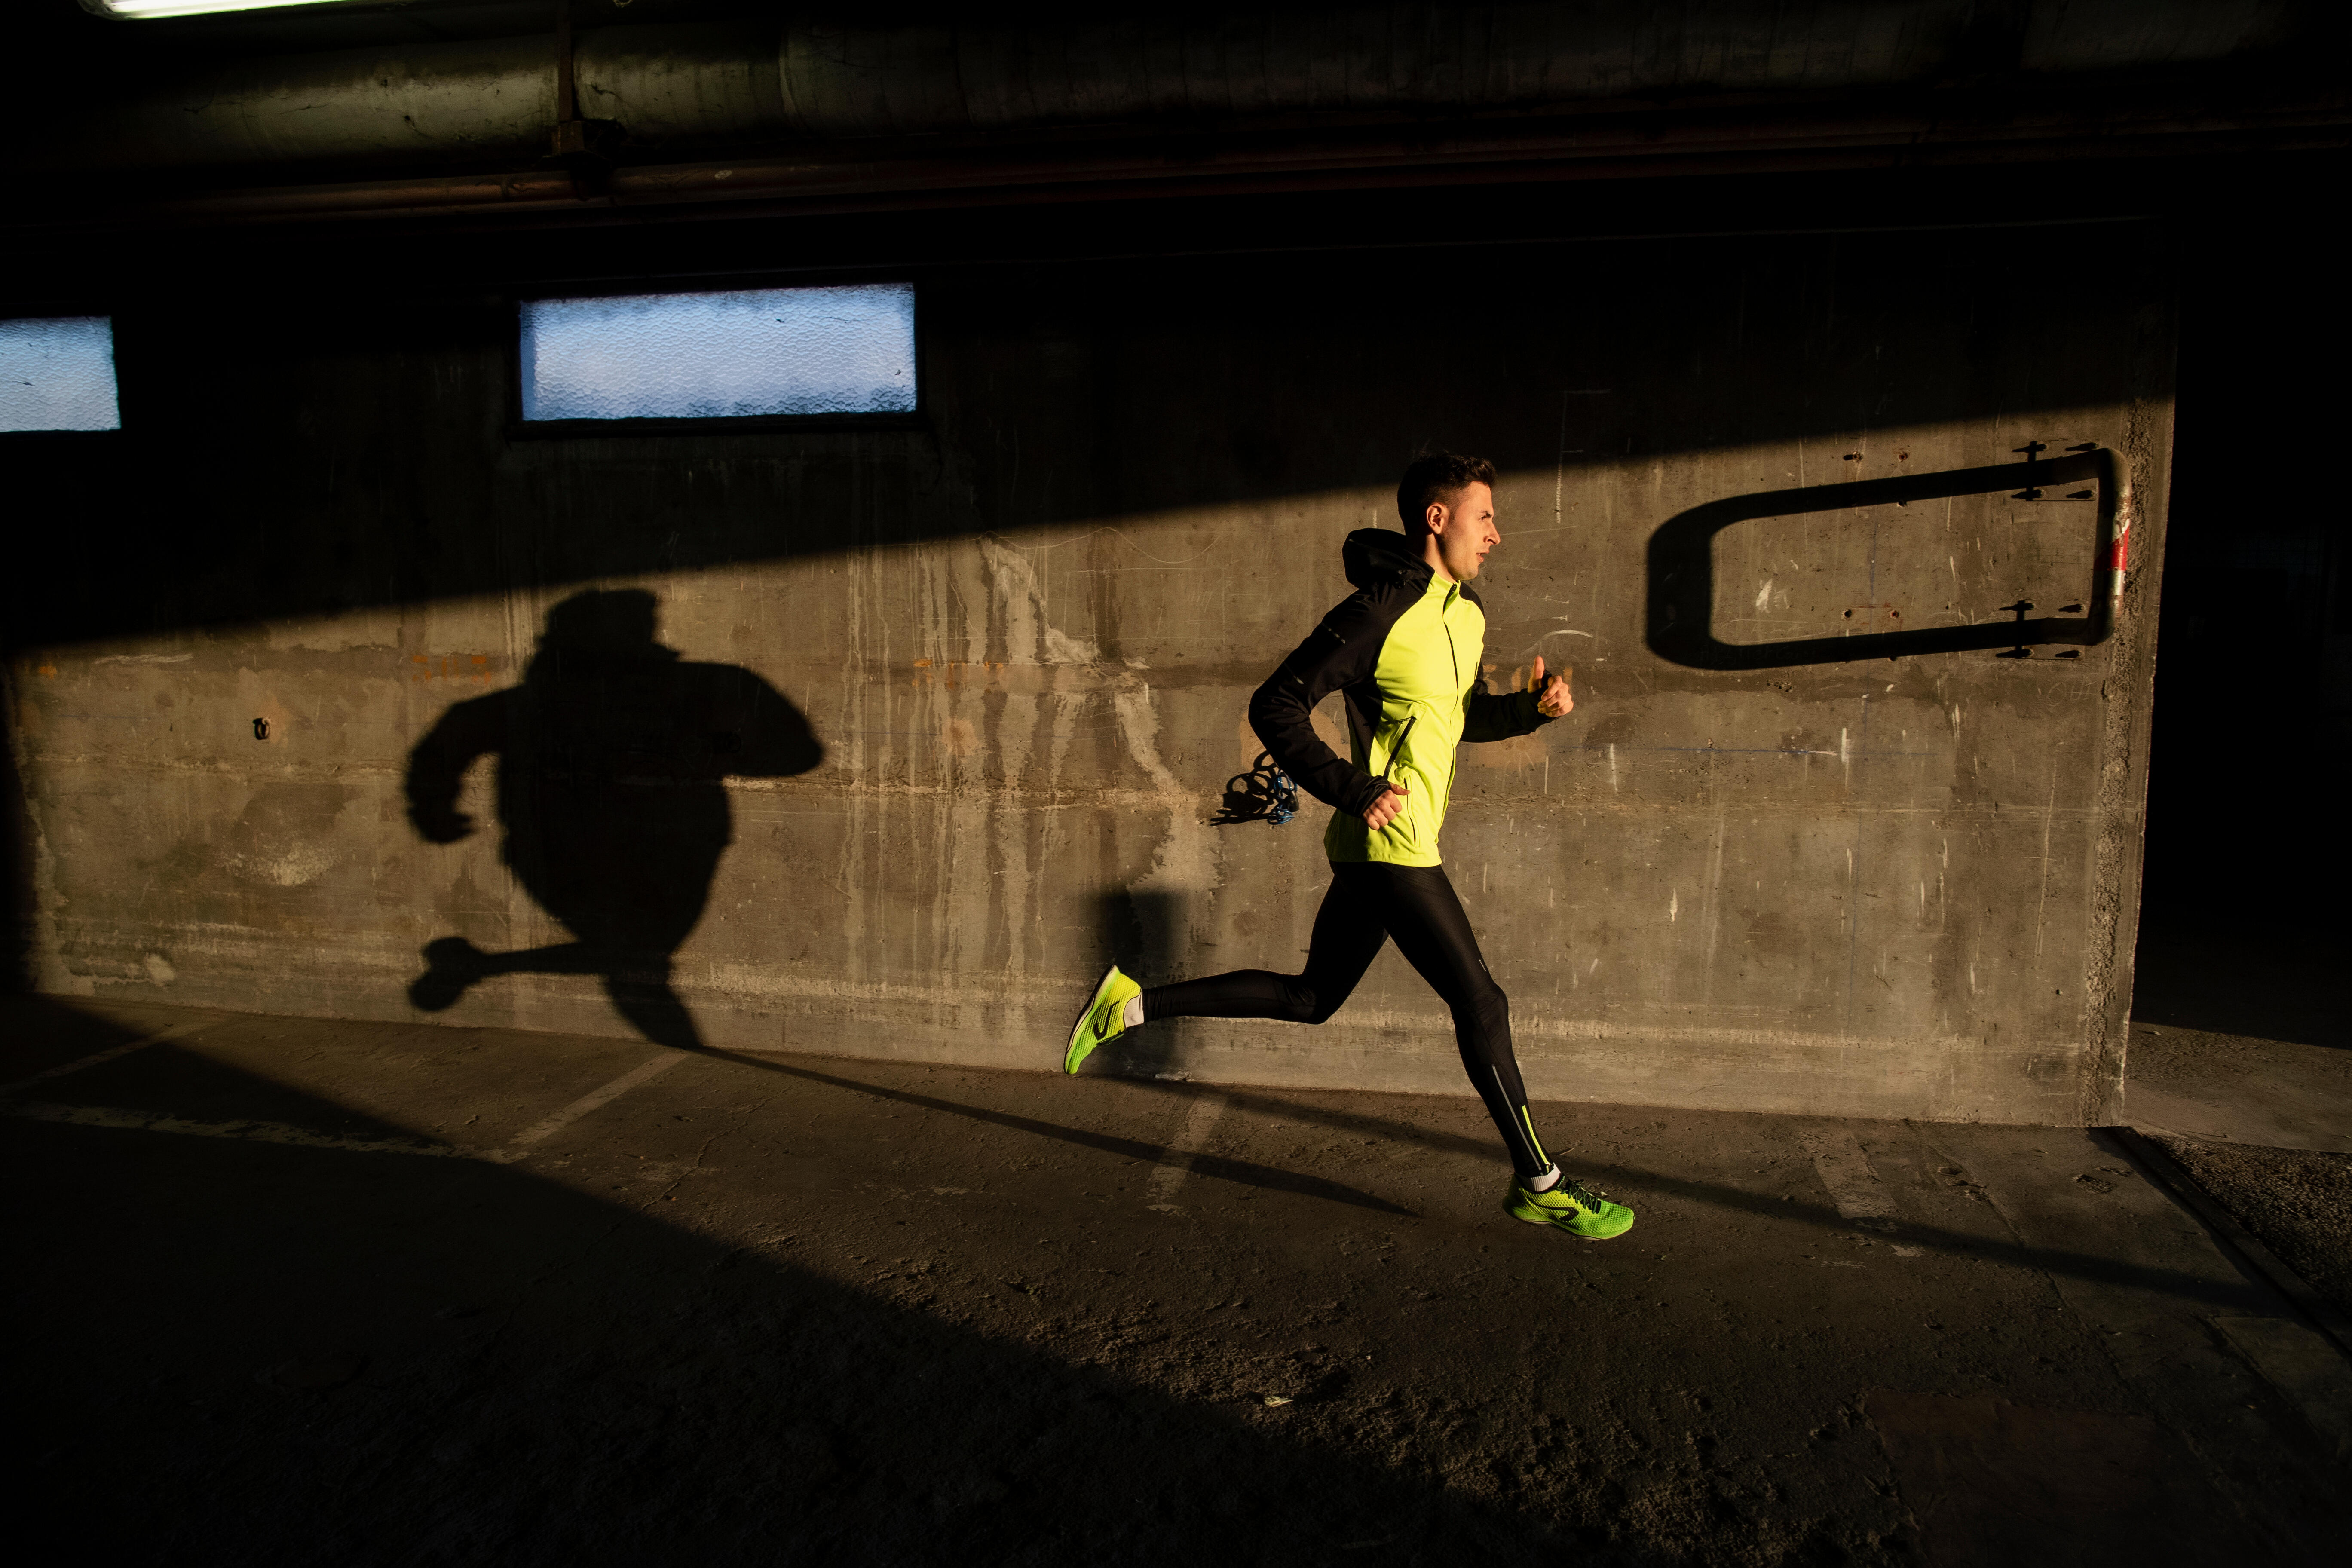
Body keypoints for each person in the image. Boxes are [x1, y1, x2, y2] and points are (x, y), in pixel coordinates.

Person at [1062, 452, 1634, 1241]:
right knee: (1482, 1002)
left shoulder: (1465, 615)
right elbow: (1278, 703)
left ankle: (1130, 1004)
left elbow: (1460, 718)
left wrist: (1533, 711)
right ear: (1437, 519)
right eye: (1485, 517)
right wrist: (1352, 786)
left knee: (1312, 999)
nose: (1497, 535)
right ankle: (1541, 1181)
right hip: (1389, 841)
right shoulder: (1379, 610)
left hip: (1393, 844)